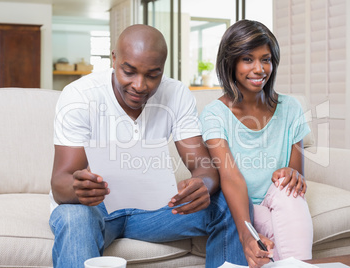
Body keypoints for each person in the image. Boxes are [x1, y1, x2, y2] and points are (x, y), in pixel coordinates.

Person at [49, 24, 247, 268]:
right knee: (72, 216)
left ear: (163, 69)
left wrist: (203, 185)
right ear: (114, 59)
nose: (140, 85)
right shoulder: (80, 95)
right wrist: (80, 188)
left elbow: (203, 167)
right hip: (96, 209)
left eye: (153, 75)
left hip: (154, 211)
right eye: (129, 71)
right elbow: (60, 184)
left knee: (229, 199)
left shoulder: (176, 94)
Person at [199, 20, 313, 267]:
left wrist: (292, 173)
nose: (259, 68)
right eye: (248, 59)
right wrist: (247, 232)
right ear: (230, 62)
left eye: (266, 59)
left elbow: (295, 176)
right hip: (244, 205)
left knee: (288, 191)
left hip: (281, 199)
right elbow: (230, 177)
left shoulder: (291, 108)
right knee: (282, 216)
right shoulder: (214, 114)